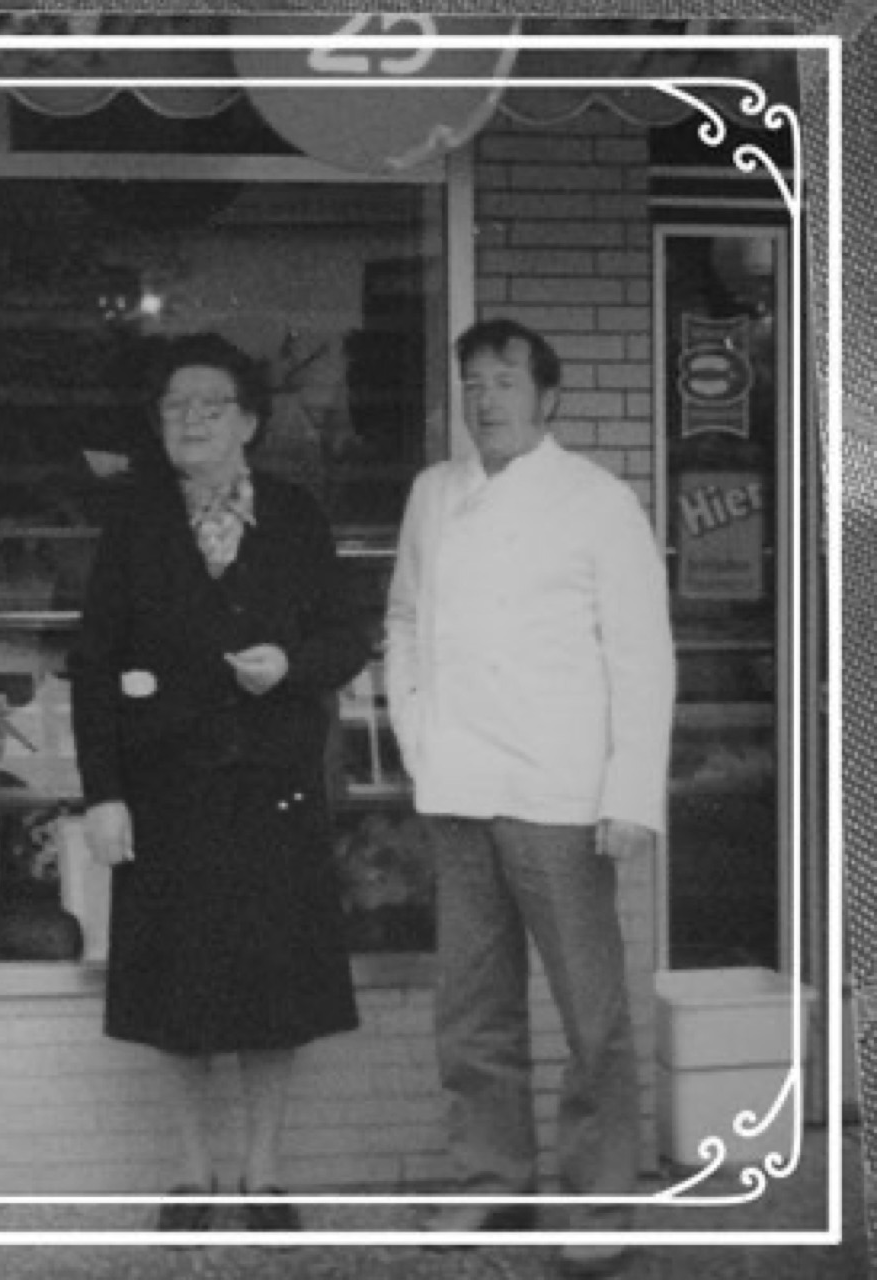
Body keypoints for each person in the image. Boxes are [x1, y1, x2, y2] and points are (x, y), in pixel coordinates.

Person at [385, 318, 675, 1279]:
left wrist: (630, 791)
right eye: (473, 382)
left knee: (592, 1010)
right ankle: (489, 1179)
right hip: (459, 785)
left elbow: (642, 657)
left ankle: (600, 1202)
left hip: (562, 792)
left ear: (548, 398)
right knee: (472, 1007)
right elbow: (404, 619)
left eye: (505, 381)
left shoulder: (599, 501)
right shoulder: (435, 494)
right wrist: (419, 736)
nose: (486, 398)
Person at [70, 333, 368, 1233]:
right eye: (174, 407)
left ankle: (263, 1177)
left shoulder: (296, 515)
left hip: (273, 788)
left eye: (209, 405)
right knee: (178, 994)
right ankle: (195, 1178)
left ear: (248, 421)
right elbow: (94, 664)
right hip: (166, 793)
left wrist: (293, 664)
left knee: (275, 995)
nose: (190, 420)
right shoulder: (133, 521)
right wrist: (104, 792)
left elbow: (348, 639)